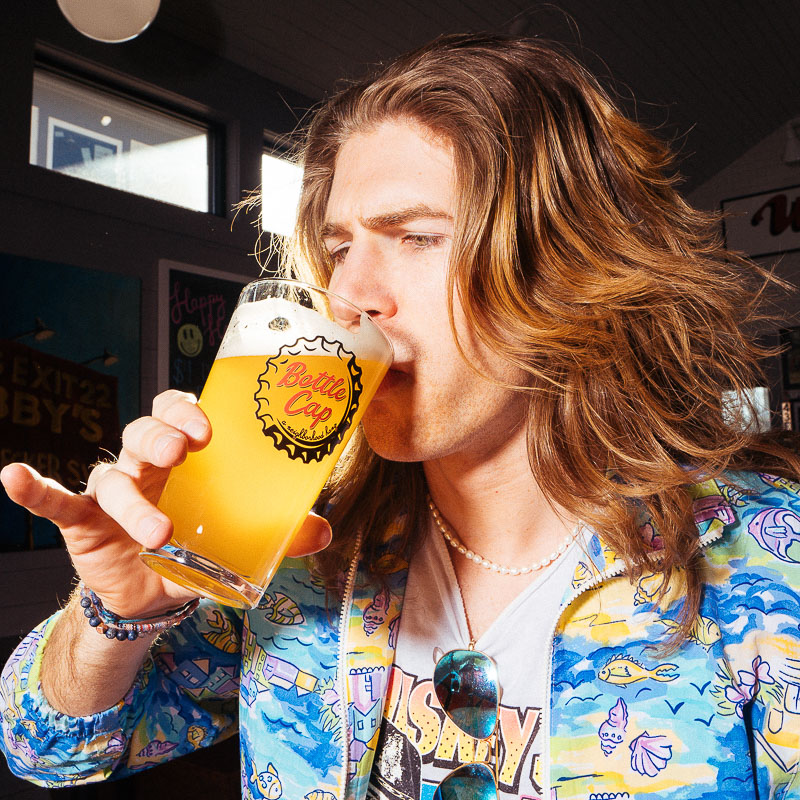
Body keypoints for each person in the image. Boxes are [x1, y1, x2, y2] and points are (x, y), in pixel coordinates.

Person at [2, 32, 800, 800]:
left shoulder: (766, 567)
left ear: (571, 265)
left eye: (417, 237)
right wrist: (115, 610)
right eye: (339, 245)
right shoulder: (304, 557)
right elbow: (48, 750)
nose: (350, 295)